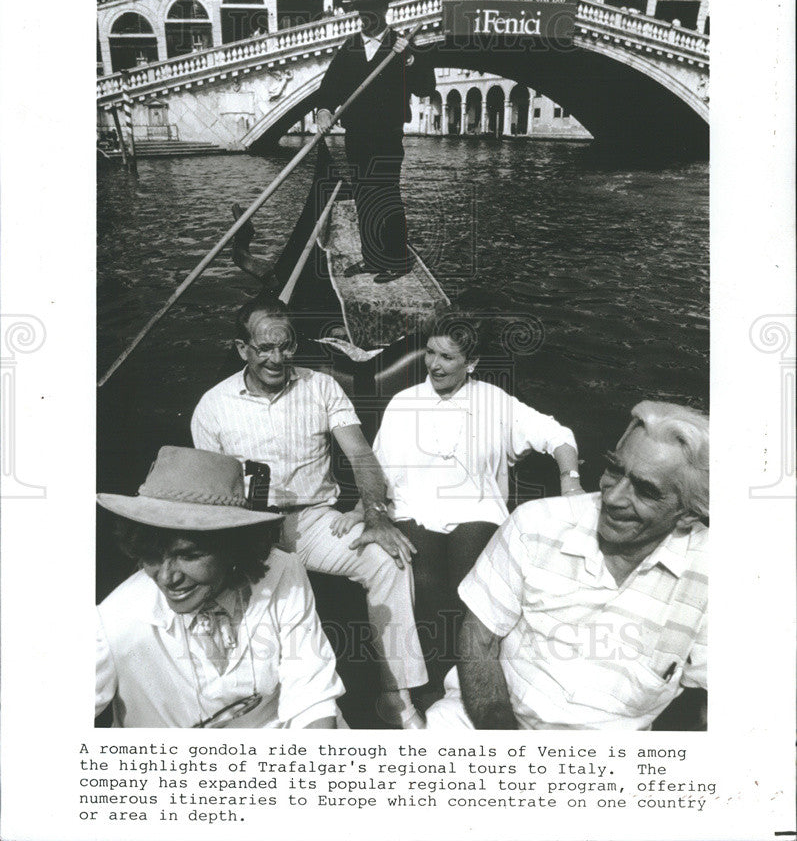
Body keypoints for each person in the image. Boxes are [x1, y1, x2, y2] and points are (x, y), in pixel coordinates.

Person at [191, 294, 428, 728]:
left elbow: (360, 455)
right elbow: (209, 490)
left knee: (390, 562)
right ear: (243, 349)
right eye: (264, 348)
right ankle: (252, 706)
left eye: (286, 346)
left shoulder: (322, 387)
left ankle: (395, 695)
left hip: (317, 520)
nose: (277, 358)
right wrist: (236, 538)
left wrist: (374, 515)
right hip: (247, 524)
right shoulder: (212, 406)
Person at [332, 312, 582, 693]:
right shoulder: (403, 402)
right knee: (426, 584)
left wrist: (571, 483)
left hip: (476, 509)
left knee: (471, 587)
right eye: (430, 353)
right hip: (414, 507)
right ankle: (437, 687)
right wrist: (362, 509)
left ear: (472, 363)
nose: (434, 364)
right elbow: (378, 466)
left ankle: (471, 682)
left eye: (447, 357)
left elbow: (558, 435)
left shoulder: (496, 401)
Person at [425, 400, 709, 731]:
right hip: (486, 722)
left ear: (688, 513)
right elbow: (479, 636)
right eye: (615, 470)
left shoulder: (716, 573)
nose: (614, 498)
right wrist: (502, 742)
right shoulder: (535, 524)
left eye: (645, 490)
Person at [96, 446, 344, 728]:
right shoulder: (113, 620)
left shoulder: (283, 573)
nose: (166, 577)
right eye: (151, 556)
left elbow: (311, 698)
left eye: (189, 556)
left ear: (233, 548)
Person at [315, 0, 436, 283]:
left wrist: (409, 58)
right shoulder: (350, 46)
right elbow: (329, 87)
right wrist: (324, 110)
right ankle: (372, 259)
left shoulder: (402, 44)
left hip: (387, 133)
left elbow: (426, 88)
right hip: (356, 132)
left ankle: (396, 260)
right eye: (362, 11)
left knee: (385, 192)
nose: (367, 16)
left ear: (384, 9)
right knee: (363, 194)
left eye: (372, 9)